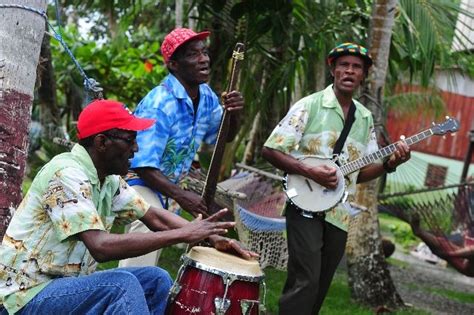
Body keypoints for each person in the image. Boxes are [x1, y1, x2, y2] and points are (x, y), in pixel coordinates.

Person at [0, 99, 255, 314]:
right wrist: (184, 234)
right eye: (130, 139)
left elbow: (154, 216)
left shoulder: (108, 180)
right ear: (101, 143)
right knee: (120, 284)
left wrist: (212, 236)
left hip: (63, 287)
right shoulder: (66, 174)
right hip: (24, 297)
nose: (136, 148)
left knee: (157, 280)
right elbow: (100, 247)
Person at [261, 43, 411, 314]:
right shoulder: (310, 105)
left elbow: (361, 174)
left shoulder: (364, 118)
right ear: (333, 69)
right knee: (305, 278)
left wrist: (390, 164)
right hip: (303, 203)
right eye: (344, 65)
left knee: (319, 285)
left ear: (363, 75)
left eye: (356, 67)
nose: (349, 71)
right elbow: (270, 150)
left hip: (339, 213)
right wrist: (310, 171)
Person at [120, 27, 244, 267]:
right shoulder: (160, 103)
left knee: (202, 236)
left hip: (170, 187)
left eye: (204, 52)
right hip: (139, 182)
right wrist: (182, 196)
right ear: (174, 65)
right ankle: (130, 294)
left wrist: (234, 114)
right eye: (192, 54)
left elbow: (222, 138)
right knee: (149, 230)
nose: (203, 59)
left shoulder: (206, 96)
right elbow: (143, 165)